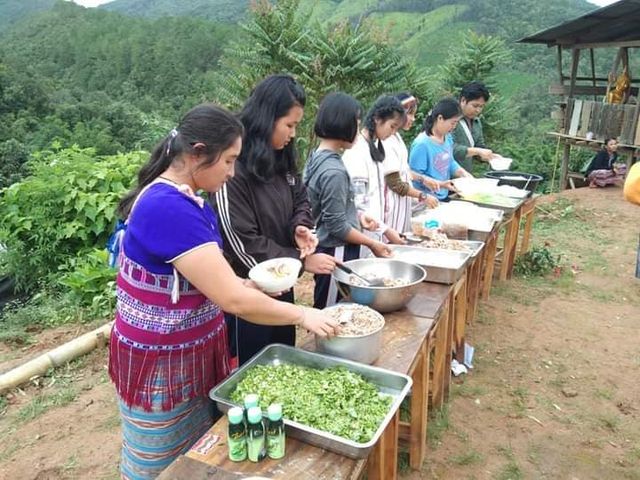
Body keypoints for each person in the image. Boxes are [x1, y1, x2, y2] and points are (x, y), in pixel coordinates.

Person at [110, 104, 338, 480]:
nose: (233, 171)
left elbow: (210, 282)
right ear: (198, 153)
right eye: (229, 160)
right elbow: (231, 300)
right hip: (162, 365)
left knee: (194, 455)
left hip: (186, 355)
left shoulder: (183, 196)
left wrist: (245, 284)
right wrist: (304, 314)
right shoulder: (168, 207)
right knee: (161, 464)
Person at [210, 75, 337, 366]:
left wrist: (299, 227)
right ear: (267, 118)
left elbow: (301, 199)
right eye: (289, 125)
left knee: (282, 357)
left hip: (283, 282)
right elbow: (240, 241)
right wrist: (301, 261)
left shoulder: (281, 156)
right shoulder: (233, 169)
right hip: (247, 291)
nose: (293, 134)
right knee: (252, 367)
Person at [304, 92, 393, 308]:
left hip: (327, 246)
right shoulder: (333, 170)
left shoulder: (317, 156)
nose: (358, 127)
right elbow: (336, 226)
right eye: (356, 122)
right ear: (343, 123)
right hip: (337, 251)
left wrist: (358, 217)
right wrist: (372, 243)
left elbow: (331, 208)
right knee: (333, 309)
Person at [342, 95, 406, 244]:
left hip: (374, 233)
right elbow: (357, 203)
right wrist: (386, 230)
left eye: (396, 129)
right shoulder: (358, 152)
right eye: (392, 126)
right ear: (377, 118)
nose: (392, 133)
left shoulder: (375, 146)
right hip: (360, 235)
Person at [382, 92, 440, 233]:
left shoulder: (397, 138)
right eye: (410, 114)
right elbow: (395, 183)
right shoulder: (387, 141)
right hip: (390, 208)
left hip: (401, 207)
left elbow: (403, 171)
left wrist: (423, 179)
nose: (413, 119)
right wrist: (422, 196)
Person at [409, 98, 473, 202]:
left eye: (456, 123)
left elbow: (450, 162)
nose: (454, 127)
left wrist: (463, 173)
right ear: (440, 118)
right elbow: (413, 175)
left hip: (443, 196)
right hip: (426, 200)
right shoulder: (422, 144)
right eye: (452, 123)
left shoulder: (447, 138)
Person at [451, 81, 494, 173]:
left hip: (465, 177)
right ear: (463, 100)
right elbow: (448, 148)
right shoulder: (450, 120)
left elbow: (479, 147)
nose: (478, 110)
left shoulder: (476, 122)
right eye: (475, 106)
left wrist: (490, 157)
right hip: (446, 177)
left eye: (481, 106)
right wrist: (477, 151)